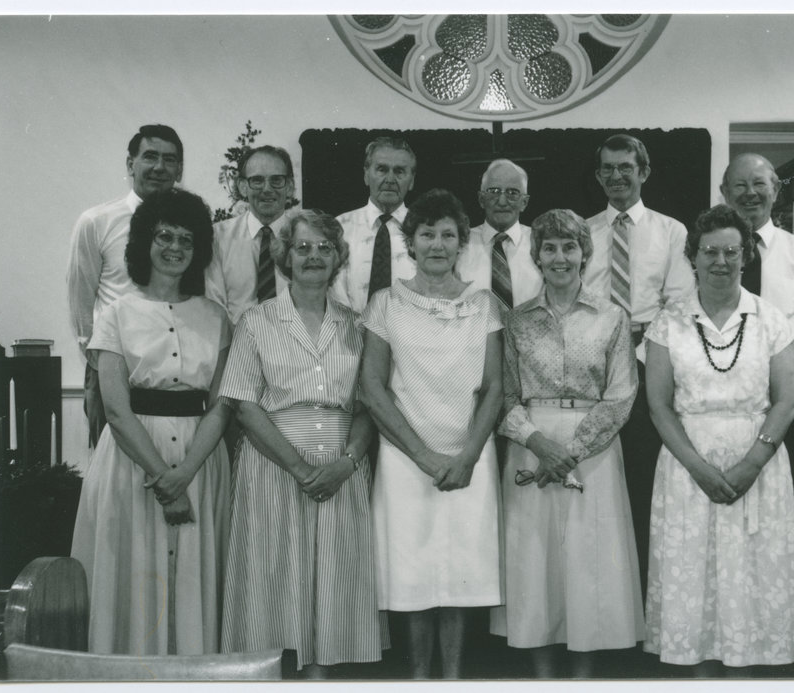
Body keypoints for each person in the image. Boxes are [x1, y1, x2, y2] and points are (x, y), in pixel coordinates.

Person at [643, 204, 794, 673]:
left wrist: (751, 464)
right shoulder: (667, 322)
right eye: (709, 252)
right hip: (686, 464)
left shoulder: (771, 319)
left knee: (752, 580)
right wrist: (698, 467)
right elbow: (658, 405)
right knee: (694, 581)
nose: (720, 261)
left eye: (731, 252)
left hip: (758, 462)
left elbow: (786, 402)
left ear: (746, 256)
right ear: (692, 258)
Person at [218, 211, 383, 677]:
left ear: (339, 258)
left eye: (324, 248)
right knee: (271, 581)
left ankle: (320, 681)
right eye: (303, 247)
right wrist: (298, 467)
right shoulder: (256, 320)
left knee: (330, 583)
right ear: (285, 256)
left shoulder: (358, 325)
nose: (313, 256)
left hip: (340, 467)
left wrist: (346, 463)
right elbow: (245, 405)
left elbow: (368, 407)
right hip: (272, 466)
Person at [70, 188, 231, 655]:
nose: (175, 247)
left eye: (186, 238)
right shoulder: (115, 313)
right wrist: (164, 478)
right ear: (145, 242)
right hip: (132, 461)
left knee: (191, 577)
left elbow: (221, 404)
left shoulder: (216, 317)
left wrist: (184, 475)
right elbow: (116, 409)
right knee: (135, 570)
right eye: (164, 236)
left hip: (199, 460)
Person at [489, 209, 644, 678]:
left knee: (588, 560)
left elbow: (621, 395)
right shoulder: (515, 321)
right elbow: (505, 395)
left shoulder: (613, 317)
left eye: (569, 247)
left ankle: (582, 676)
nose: (560, 257)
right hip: (531, 445)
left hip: (592, 451)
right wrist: (539, 443)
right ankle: (543, 675)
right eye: (550, 248)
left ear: (585, 254)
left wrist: (570, 452)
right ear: (536, 256)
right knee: (535, 561)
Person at [359, 188, 503, 679]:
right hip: (405, 459)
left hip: (470, 458)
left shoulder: (484, 304)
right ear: (410, 242)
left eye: (447, 234)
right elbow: (373, 388)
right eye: (426, 234)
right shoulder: (385, 302)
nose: (437, 244)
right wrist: (421, 455)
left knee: (460, 575)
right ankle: (419, 679)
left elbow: (495, 387)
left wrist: (465, 457)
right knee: (413, 576)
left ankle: (454, 679)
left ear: (462, 241)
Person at [583, 133, 694, 588]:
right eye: (607, 168)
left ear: (643, 172)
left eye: (625, 167)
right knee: (599, 481)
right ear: (597, 175)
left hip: (650, 362)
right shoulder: (583, 231)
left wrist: (638, 353)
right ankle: (605, 590)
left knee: (646, 479)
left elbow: (680, 301)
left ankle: (649, 591)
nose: (616, 176)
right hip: (593, 370)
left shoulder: (671, 231)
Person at [67, 124, 184, 446]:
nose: (159, 167)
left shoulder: (188, 229)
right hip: (114, 367)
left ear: (180, 170)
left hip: (171, 372)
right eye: (150, 157)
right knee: (114, 472)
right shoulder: (97, 222)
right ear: (130, 164)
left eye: (169, 159)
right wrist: (101, 363)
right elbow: (80, 299)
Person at [720, 153, 794, 434]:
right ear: (724, 192)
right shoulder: (709, 254)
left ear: (775, 191)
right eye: (740, 185)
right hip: (720, 380)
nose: (750, 193)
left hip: (785, 381)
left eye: (759, 184)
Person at [206, 145, 298, 325]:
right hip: (238, 345)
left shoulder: (306, 238)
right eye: (257, 180)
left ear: (290, 186)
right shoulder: (218, 238)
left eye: (277, 180)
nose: (267, 189)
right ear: (242, 186)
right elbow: (215, 307)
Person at [331, 136, 418, 312]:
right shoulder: (338, 228)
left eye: (399, 171)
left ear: (412, 180)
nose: (390, 179)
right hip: (348, 334)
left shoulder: (426, 230)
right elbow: (333, 292)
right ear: (366, 174)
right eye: (381, 169)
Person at [456, 158, 542, 310]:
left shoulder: (542, 243)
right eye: (494, 191)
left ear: (524, 202)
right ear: (481, 199)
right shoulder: (459, 244)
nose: (502, 201)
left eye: (512, 192)